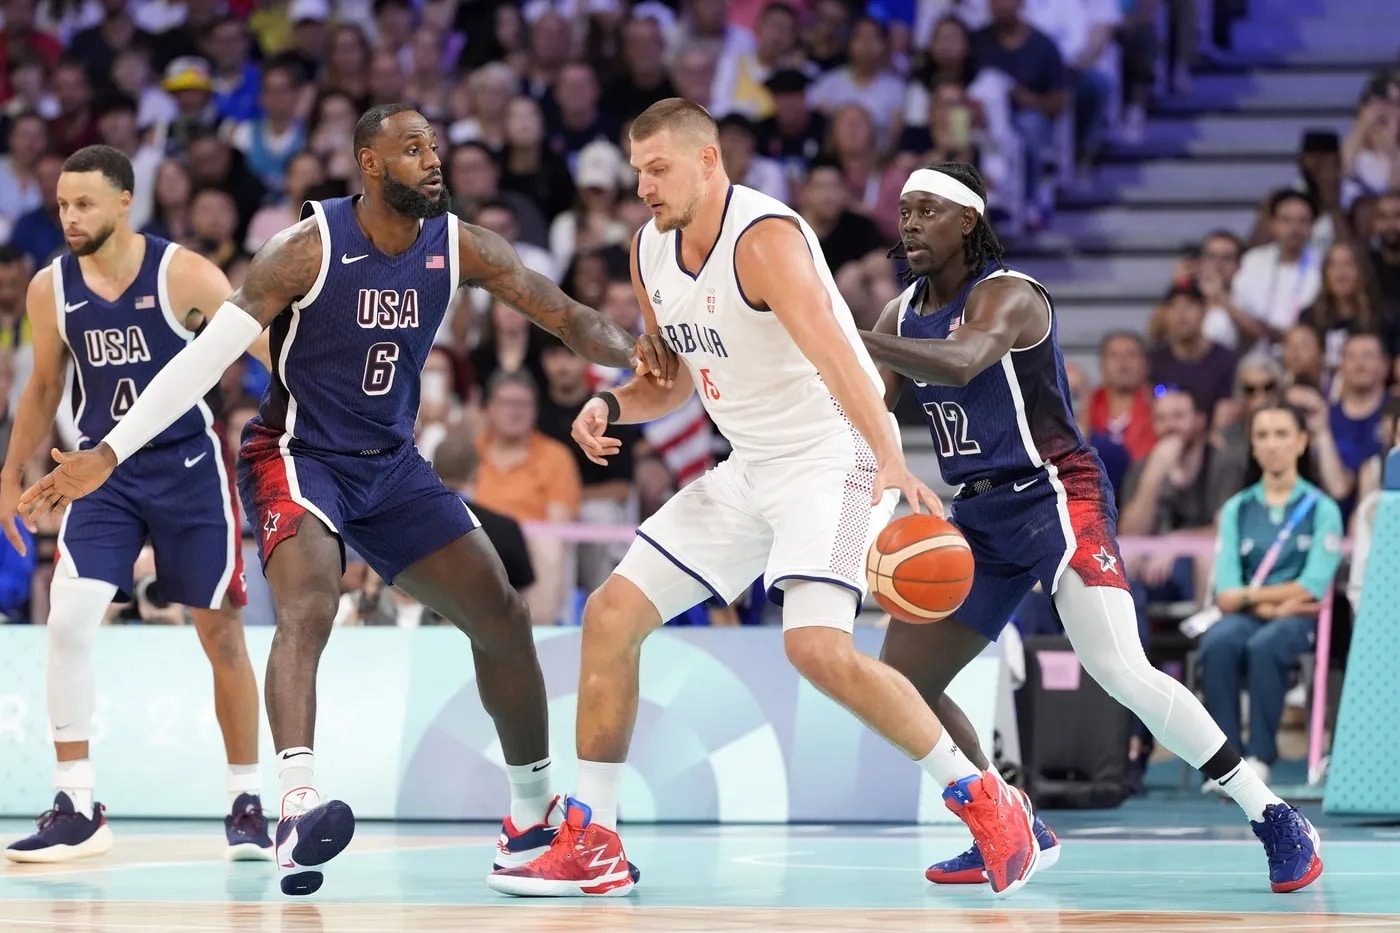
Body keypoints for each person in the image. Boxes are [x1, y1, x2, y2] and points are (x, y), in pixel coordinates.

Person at [17, 105, 675, 896]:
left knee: (500, 611)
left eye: (435, 145)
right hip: (297, 455)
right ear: (369, 163)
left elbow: (565, 315)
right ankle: (296, 806)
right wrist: (109, 452)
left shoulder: (458, 243)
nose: (433, 160)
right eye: (411, 149)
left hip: (391, 465)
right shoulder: (304, 250)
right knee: (310, 604)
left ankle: (531, 820)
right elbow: (200, 366)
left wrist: (635, 351)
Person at [488, 98, 1043, 901]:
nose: (642, 186)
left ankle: (990, 802)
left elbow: (843, 355)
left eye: (658, 169)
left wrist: (890, 456)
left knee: (815, 648)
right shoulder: (648, 250)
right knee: (610, 613)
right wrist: (613, 403)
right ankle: (595, 839)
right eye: (636, 169)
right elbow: (670, 382)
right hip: (749, 465)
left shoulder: (767, 239)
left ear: (708, 161)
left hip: (833, 457)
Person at [859, 160, 1324, 895]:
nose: (910, 224)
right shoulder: (900, 311)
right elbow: (869, 404)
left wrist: (845, 335)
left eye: (927, 211)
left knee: (1117, 666)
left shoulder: (1009, 294)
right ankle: (1007, 821)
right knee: (899, 681)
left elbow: (960, 362)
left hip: (1054, 494)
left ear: (967, 222)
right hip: (977, 510)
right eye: (904, 211)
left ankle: (1272, 814)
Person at [0, 145, 274, 863]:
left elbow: (266, 348)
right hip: (100, 475)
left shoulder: (184, 271)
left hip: (188, 468)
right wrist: (9, 473)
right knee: (67, 623)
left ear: (126, 201)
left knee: (221, 637)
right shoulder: (50, 287)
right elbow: (41, 390)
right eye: (62, 205)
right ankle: (77, 801)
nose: (69, 217)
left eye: (84, 203)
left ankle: (246, 799)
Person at [1199, 403, 1343, 788]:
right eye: (1262, 435)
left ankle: (1260, 757)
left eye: (1282, 434)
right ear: (1252, 445)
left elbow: (1312, 585)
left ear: (1301, 442)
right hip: (1264, 613)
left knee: (1266, 646)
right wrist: (1272, 604)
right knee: (1217, 644)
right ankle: (1225, 762)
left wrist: (1254, 599)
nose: (1272, 444)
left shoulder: (1323, 508)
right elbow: (1226, 593)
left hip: (1301, 619)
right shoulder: (1237, 508)